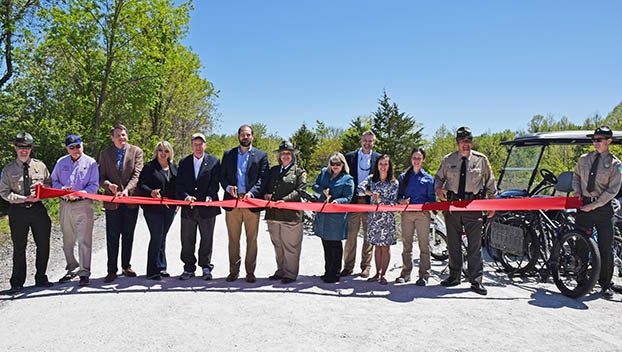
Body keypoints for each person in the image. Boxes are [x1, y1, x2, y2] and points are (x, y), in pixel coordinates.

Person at [434, 126, 497, 295]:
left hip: (473, 207)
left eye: (468, 140)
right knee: (453, 244)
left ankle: (476, 281)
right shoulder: (448, 160)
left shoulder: (480, 160)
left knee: (474, 247)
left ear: (471, 141)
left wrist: (492, 205)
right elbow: (438, 178)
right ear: (457, 143)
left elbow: (490, 182)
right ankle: (454, 277)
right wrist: (438, 190)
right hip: (452, 207)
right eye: (462, 141)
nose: (466, 144)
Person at [0, 132, 53, 292]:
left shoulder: (40, 166)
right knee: (19, 247)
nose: (24, 150)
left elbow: (49, 185)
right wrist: (24, 199)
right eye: (21, 147)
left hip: (38, 210)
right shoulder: (8, 169)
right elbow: (4, 192)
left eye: (27, 147)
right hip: (18, 211)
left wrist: (41, 195)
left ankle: (41, 278)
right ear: (15, 148)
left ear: (31, 148)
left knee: (43, 245)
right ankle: (17, 282)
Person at [573, 126, 622, 298]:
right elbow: (576, 177)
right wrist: (577, 192)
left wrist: (594, 206)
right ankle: (581, 279)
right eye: (593, 139)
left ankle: (605, 283)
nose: (595, 143)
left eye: (599, 140)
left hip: (602, 209)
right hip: (584, 204)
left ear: (609, 141)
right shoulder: (584, 159)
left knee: (605, 247)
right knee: (581, 244)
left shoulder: (616, 164)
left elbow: (612, 191)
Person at [220, 124, 269, 283]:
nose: (245, 137)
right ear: (238, 136)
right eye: (243, 134)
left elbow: (263, 178)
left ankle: (250, 272)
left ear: (252, 137)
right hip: (232, 203)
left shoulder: (261, 155)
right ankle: (234, 271)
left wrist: (252, 193)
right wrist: (228, 187)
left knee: (252, 239)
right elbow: (222, 176)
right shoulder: (228, 154)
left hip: (251, 203)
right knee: (233, 239)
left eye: (248, 135)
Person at [51, 134, 99, 286]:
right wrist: (62, 190)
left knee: (84, 240)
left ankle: (84, 272)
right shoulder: (61, 162)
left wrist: (79, 194)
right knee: (68, 240)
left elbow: (94, 186)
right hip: (65, 204)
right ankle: (72, 269)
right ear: (67, 148)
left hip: (83, 204)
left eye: (78, 146)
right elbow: (54, 181)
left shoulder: (90, 163)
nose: (76, 150)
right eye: (72, 147)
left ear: (82, 145)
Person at [99, 124, 144, 283]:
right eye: (118, 135)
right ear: (112, 138)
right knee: (112, 236)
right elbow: (101, 176)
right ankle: (111, 270)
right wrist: (108, 185)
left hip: (130, 200)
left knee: (128, 235)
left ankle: (126, 265)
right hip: (112, 202)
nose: (121, 138)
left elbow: (137, 174)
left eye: (123, 135)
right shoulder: (105, 154)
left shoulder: (136, 152)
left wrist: (127, 190)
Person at [175, 133, 221, 280]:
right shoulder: (184, 162)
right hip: (188, 208)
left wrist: (210, 195)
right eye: (195, 144)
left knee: (207, 239)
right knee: (187, 239)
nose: (198, 147)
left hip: (207, 208)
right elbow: (179, 183)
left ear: (205, 145)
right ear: (191, 146)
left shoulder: (214, 161)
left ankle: (206, 266)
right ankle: (188, 267)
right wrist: (185, 196)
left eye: (201, 144)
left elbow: (215, 182)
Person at [263, 141, 307, 284]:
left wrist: (284, 201)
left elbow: (300, 191)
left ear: (293, 155)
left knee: (291, 246)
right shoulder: (273, 170)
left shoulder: (299, 172)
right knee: (278, 245)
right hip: (273, 214)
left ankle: (290, 273)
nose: (285, 156)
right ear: (279, 156)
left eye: (288, 153)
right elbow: (266, 187)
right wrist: (267, 194)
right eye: (283, 153)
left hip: (291, 215)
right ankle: (281, 270)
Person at [343, 130, 381, 278]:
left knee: (368, 236)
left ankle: (366, 266)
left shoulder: (378, 158)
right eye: (365, 140)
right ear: (361, 141)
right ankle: (347, 266)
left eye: (370, 141)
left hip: (369, 202)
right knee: (350, 236)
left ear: (374, 142)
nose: (367, 143)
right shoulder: (350, 157)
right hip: (353, 201)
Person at [138, 141, 178, 280]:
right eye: (160, 150)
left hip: (169, 209)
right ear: (156, 151)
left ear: (170, 153)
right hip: (152, 209)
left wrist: (177, 203)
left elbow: (176, 186)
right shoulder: (149, 167)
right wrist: (151, 192)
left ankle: (162, 267)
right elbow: (141, 184)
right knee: (156, 236)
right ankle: (152, 270)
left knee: (162, 237)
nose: (163, 153)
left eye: (166, 151)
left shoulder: (173, 167)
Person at [396, 147, 436, 286]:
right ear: (411, 159)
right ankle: (406, 273)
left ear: (423, 160)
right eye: (414, 158)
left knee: (423, 245)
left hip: (422, 215)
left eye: (419, 158)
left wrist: (427, 204)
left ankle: (424, 275)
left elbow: (432, 200)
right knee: (406, 244)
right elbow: (399, 196)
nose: (416, 160)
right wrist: (401, 201)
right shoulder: (404, 177)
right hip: (407, 214)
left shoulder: (428, 179)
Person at [313, 152, 354, 283]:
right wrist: (322, 190)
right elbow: (315, 186)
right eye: (332, 163)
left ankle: (335, 273)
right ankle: (327, 271)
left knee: (335, 246)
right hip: (323, 215)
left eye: (338, 164)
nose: (335, 166)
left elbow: (348, 197)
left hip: (336, 217)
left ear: (343, 164)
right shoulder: (324, 172)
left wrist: (338, 202)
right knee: (325, 244)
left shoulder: (348, 179)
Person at [358, 155, 398, 285]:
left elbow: (394, 201)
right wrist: (370, 194)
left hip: (387, 218)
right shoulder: (371, 179)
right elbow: (359, 188)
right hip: (374, 218)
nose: (383, 166)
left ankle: (384, 274)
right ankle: (376, 272)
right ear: (377, 165)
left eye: (385, 164)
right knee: (377, 247)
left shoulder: (394, 182)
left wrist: (382, 202)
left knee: (385, 248)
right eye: (381, 164)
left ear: (389, 166)